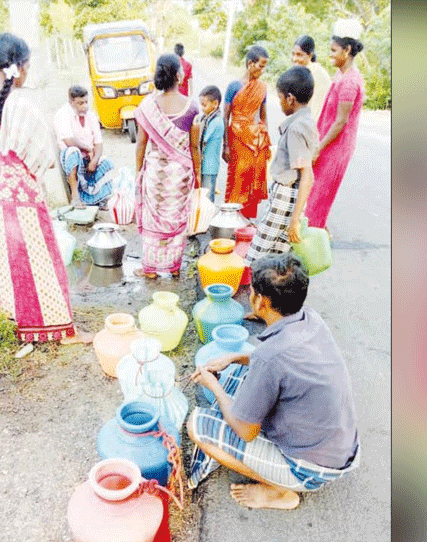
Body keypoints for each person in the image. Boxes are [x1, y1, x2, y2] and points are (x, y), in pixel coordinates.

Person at [186, 253, 360, 510]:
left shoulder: (270, 358)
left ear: (261, 301)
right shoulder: (310, 320)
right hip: (338, 447)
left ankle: (283, 490)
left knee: (196, 426)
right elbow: (273, 363)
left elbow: (247, 432)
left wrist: (214, 387)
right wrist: (234, 357)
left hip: (311, 467)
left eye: (252, 291)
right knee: (237, 374)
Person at [0, 33, 93, 345]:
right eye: (27, 67)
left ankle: (19, 323)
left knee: (8, 261)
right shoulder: (18, 105)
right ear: (20, 68)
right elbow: (44, 160)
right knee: (42, 259)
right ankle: (60, 328)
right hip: (22, 196)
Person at [133, 53, 201, 279]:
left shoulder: (147, 106)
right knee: (177, 219)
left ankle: (150, 269)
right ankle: (173, 267)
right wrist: (197, 176)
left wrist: (138, 172)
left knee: (155, 220)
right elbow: (194, 148)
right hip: (180, 176)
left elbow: (141, 144)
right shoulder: (192, 107)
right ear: (179, 76)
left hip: (156, 175)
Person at [244, 67, 319, 271]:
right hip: (288, 197)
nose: (279, 104)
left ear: (290, 99)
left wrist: (295, 220)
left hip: (286, 198)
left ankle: (257, 295)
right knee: (278, 258)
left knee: (256, 258)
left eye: (280, 99)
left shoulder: (296, 128)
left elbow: (307, 175)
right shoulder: (305, 122)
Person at [304, 19, 366, 233]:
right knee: (312, 197)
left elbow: (340, 122)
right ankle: (315, 237)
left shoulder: (350, 81)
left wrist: (318, 148)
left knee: (317, 201)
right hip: (325, 144)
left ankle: (312, 248)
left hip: (335, 149)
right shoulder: (341, 74)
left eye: (333, 50)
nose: (329, 55)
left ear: (347, 50)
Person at [223, 45, 271, 220]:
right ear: (250, 63)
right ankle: (231, 219)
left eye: (265, 66)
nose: (263, 70)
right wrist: (225, 145)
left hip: (255, 140)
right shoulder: (234, 86)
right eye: (261, 66)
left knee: (252, 180)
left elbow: (263, 118)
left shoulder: (262, 88)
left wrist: (265, 142)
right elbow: (225, 117)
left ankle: (245, 220)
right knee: (237, 178)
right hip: (237, 137)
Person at [54, 85, 115, 209]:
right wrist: (87, 148)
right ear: (71, 102)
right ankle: (75, 198)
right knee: (73, 151)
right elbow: (68, 140)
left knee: (107, 162)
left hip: (89, 160)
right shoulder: (63, 114)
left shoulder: (91, 116)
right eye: (80, 103)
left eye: (86, 102)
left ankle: (100, 198)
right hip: (73, 161)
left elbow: (98, 142)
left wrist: (94, 160)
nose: (84, 106)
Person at [291, 35, 332, 124]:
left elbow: (316, 110)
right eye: (293, 54)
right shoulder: (306, 71)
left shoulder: (315, 73)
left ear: (310, 55)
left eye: (299, 55)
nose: (294, 59)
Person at [196, 85, 224, 202]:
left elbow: (202, 141)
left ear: (215, 104)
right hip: (205, 165)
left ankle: (209, 219)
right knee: (202, 196)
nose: (202, 108)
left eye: (204, 105)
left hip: (209, 167)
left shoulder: (216, 121)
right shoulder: (207, 118)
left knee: (207, 199)